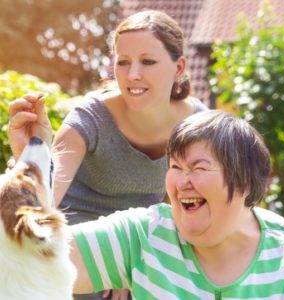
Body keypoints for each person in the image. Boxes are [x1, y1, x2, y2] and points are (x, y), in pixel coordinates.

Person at [8, 10, 207, 300]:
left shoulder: (198, 125)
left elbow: (179, 206)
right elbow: (46, 198)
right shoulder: (90, 116)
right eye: (122, 62)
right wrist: (31, 151)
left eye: (147, 61)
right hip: (78, 233)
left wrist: (132, 260)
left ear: (179, 67)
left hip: (143, 235)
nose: (132, 74)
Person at [10, 109, 284, 298]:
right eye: (175, 167)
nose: (182, 181)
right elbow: (30, 259)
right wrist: (33, 162)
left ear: (246, 182)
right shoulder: (142, 234)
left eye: (198, 168)